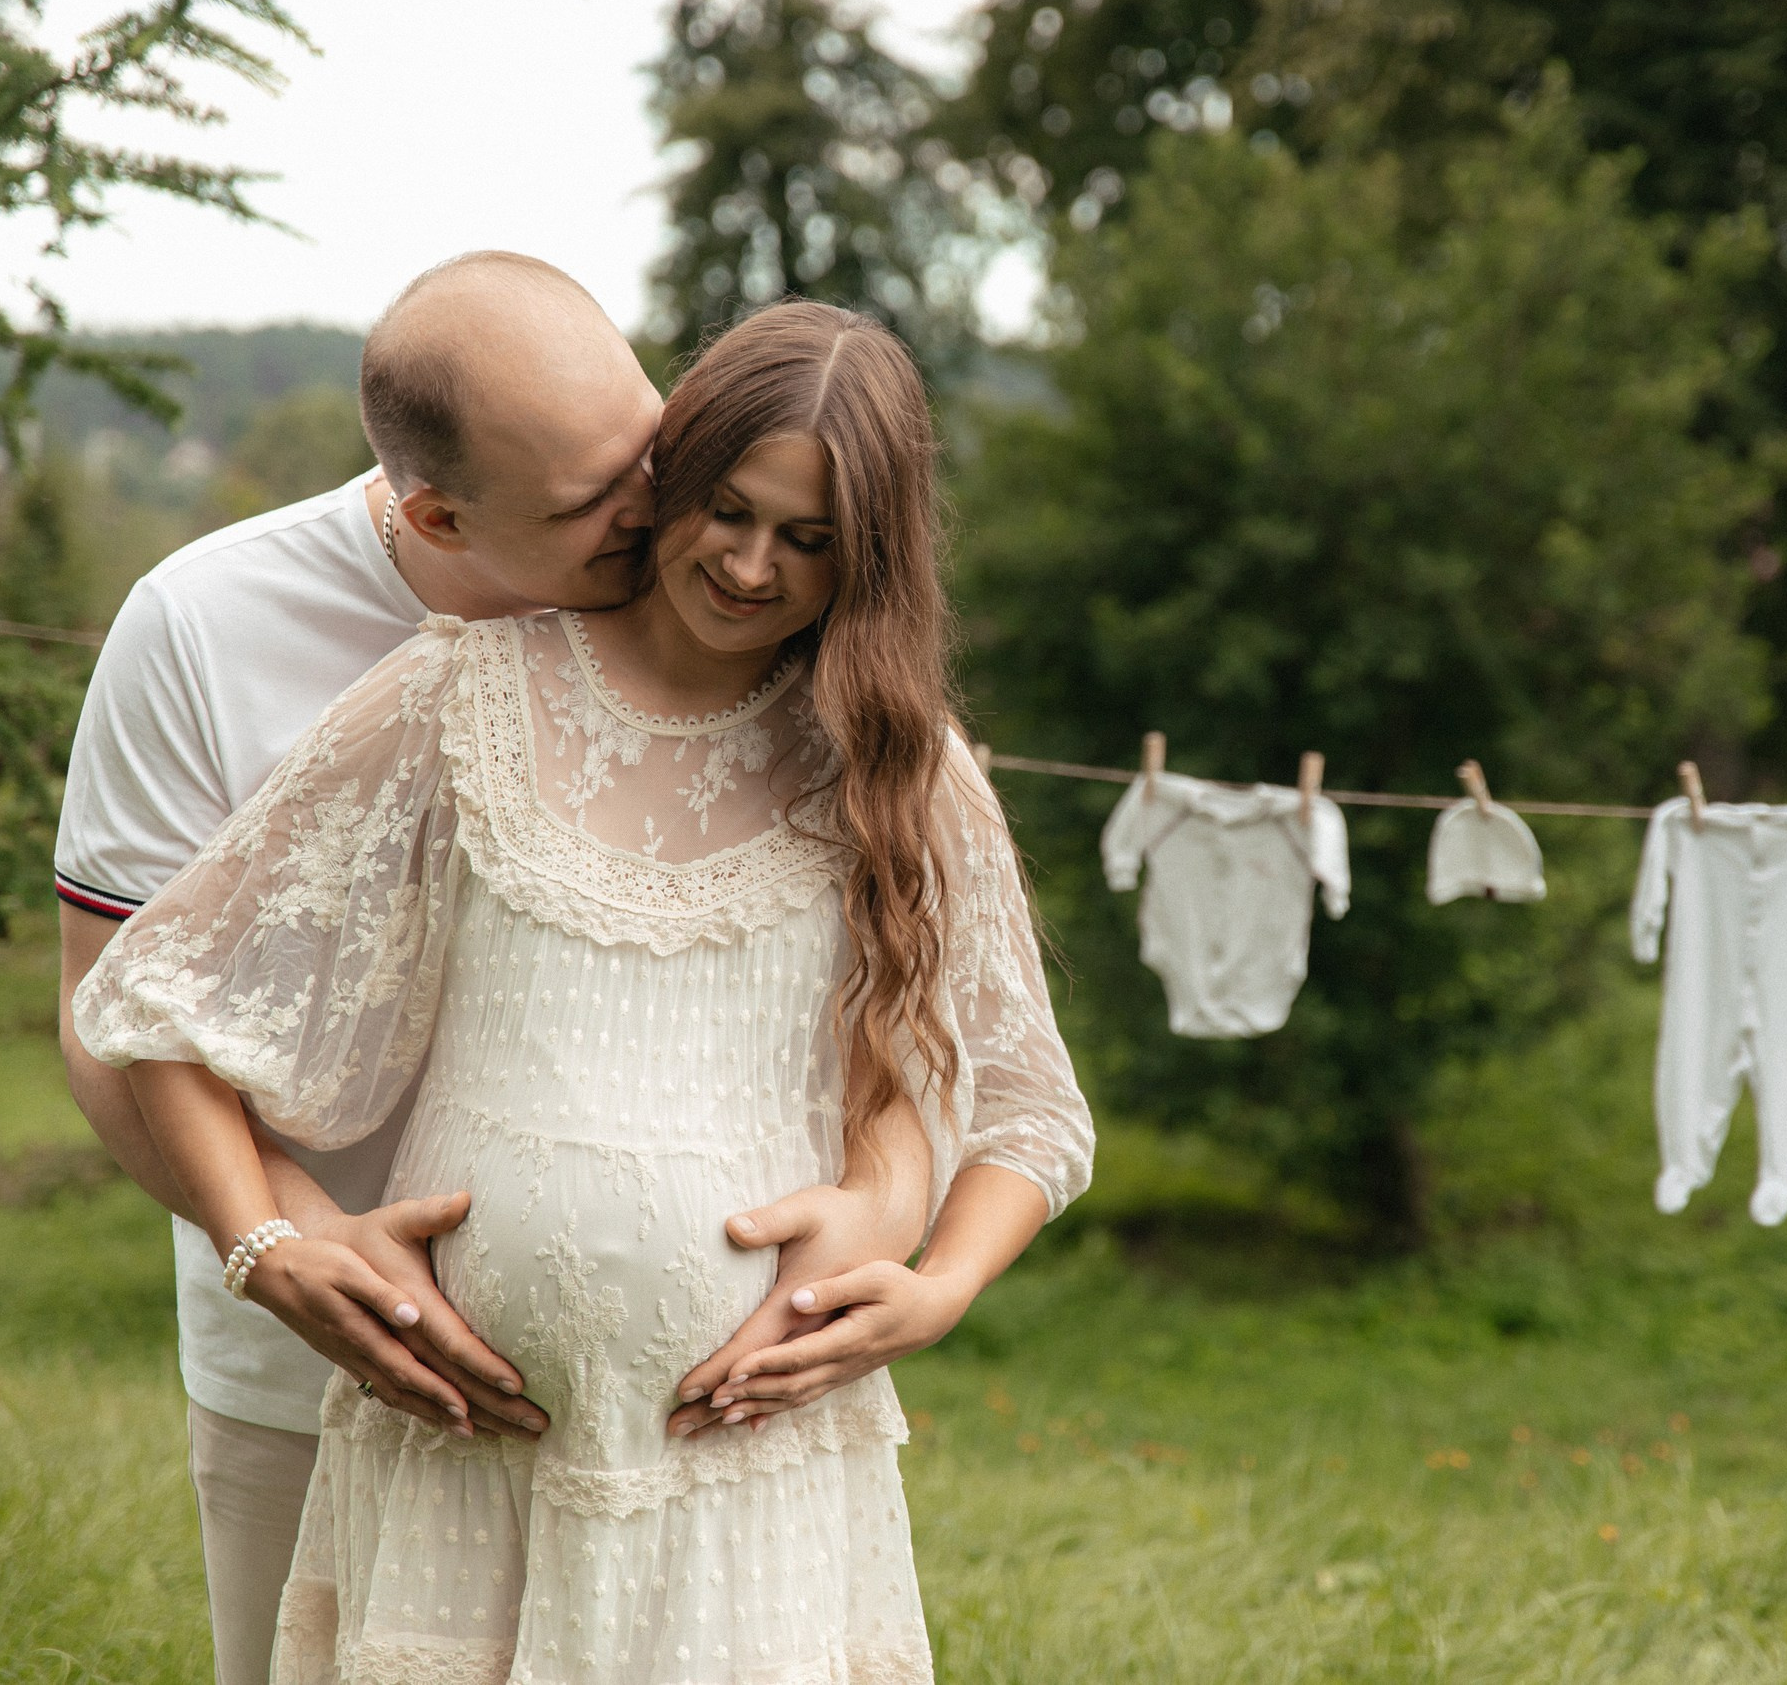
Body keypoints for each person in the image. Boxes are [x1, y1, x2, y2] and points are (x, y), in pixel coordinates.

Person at [72, 299, 1093, 1684]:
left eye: (810, 540)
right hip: (457, 1454)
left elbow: (1020, 1101)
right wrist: (261, 1236)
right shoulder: (456, 692)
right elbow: (163, 998)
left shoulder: (895, 766)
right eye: (726, 508)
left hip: (739, 1473)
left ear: (873, 557)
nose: (748, 564)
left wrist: (942, 1284)